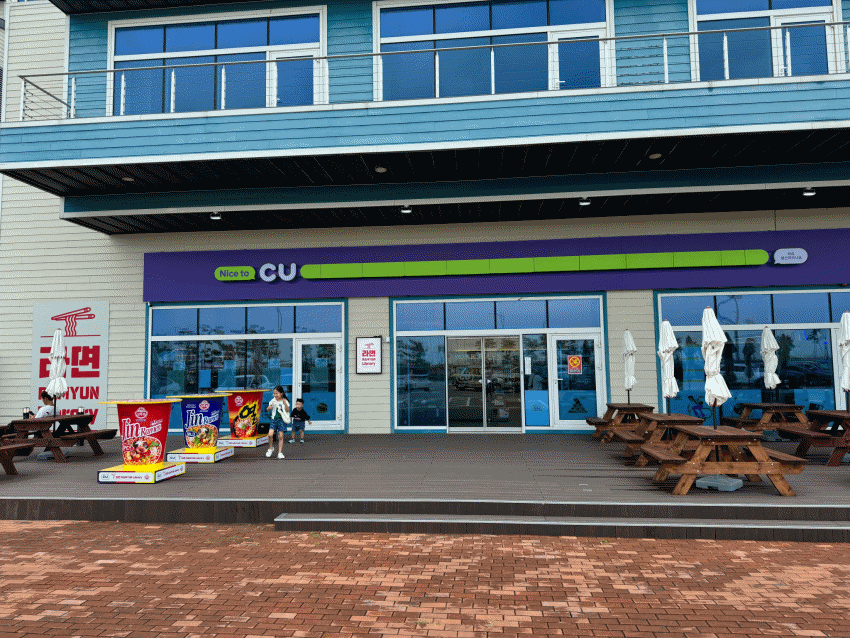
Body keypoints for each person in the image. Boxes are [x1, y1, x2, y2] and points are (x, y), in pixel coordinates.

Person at [265, 386, 290, 459]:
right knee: (270, 434)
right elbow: (268, 409)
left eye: (277, 393)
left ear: (281, 393)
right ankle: (270, 448)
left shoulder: (285, 400)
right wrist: (269, 408)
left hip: (282, 420)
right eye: (274, 393)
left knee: (280, 436)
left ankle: (280, 452)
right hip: (274, 420)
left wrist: (285, 404)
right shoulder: (272, 401)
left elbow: (287, 410)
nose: (275, 395)